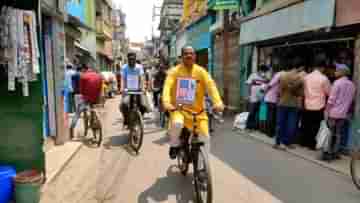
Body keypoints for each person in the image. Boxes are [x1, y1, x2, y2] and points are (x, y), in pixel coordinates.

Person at [162, 46, 224, 159]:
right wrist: (166, 102)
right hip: (179, 110)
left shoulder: (201, 71)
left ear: (195, 56)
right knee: (177, 124)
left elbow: (211, 86)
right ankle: (174, 144)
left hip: (198, 112)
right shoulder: (174, 72)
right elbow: (167, 86)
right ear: (182, 57)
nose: (189, 55)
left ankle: (203, 166)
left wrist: (218, 102)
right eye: (186, 53)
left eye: (191, 53)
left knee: (205, 137)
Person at [324, 66, 355, 160]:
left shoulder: (337, 83)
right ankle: (335, 152)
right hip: (343, 113)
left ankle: (328, 152)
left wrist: (326, 110)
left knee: (330, 133)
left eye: (337, 70)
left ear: (342, 72)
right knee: (338, 134)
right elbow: (351, 100)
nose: (335, 72)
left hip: (333, 113)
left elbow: (331, 100)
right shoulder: (352, 85)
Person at [301, 55, 331, 150]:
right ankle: (313, 144)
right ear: (322, 67)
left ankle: (305, 142)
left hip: (307, 104)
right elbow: (329, 92)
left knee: (306, 125)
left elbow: (303, 91)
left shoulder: (306, 77)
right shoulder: (324, 78)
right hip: (319, 106)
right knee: (316, 126)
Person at [274, 61, 304, 150]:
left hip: (282, 102)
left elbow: (279, 91)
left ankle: (277, 143)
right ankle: (288, 143)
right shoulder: (300, 79)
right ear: (299, 68)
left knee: (280, 123)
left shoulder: (283, 76)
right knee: (291, 124)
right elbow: (300, 93)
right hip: (293, 104)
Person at [69, 65, 103, 139]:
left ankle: (71, 129)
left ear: (84, 69)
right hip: (96, 99)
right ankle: (94, 122)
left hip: (86, 99)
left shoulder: (83, 76)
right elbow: (100, 89)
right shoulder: (99, 76)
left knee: (77, 113)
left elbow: (81, 90)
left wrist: (84, 96)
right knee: (92, 110)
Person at [120, 52, 146, 127]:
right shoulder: (124, 67)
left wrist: (143, 87)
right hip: (127, 91)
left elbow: (141, 78)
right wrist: (122, 88)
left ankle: (139, 118)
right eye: (130, 59)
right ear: (128, 60)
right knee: (124, 104)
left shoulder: (139, 67)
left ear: (135, 59)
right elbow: (123, 79)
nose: (131, 61)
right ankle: (126, 119)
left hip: (138, 90)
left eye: (133, 59)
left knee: (143, 105)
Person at [245, 64, 269, 130]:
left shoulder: (265, 78)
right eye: (264, 71)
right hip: (253, 97)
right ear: (260, 70)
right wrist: (248, 95)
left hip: (262, 97)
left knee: (261, 112)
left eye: (265, 72)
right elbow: (249, 85)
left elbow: (267, 86)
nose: (264, 73)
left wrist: (266, 81)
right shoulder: (253, 75)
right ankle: (249, 126)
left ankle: (258, 127)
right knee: (252, 112)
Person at [264, 71, 282, 137]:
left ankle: (269, 132)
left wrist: (264, 90)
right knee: (271, 116)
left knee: (271, 116)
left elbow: (269, 85)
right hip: (272, 99)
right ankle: (269, 132)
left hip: (272, 99)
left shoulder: (278, 74)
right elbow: (270, 85)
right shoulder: (279, 74)